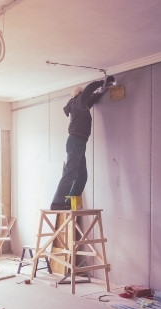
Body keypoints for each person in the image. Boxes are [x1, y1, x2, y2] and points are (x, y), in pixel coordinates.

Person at [50, 75, 115, 210]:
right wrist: (101, 82)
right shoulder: (79, 101)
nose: (86, 97)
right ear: (79, 95)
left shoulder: (81, 105)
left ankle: (68, 202)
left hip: (79, 142)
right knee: (71, 173)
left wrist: (103, 89)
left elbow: (93, 98)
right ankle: (57, 202)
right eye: (84, 95)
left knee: (82, 176)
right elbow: (89, 90)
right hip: (75, 142)